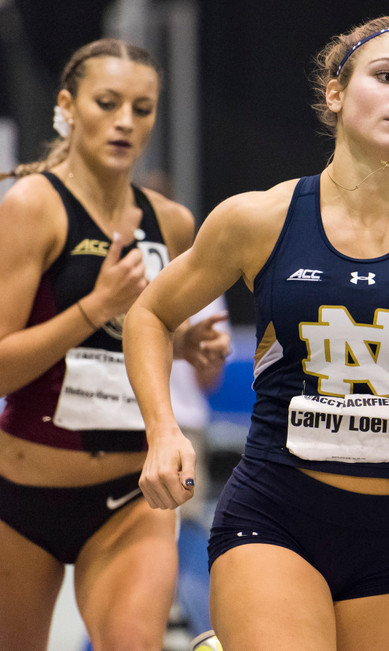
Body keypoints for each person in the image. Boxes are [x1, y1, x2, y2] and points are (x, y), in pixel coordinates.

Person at [123, 16, 389, 650]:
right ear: (335, 93)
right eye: (386, 77)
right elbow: (149, 316)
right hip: (277, 512)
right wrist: (163, 432)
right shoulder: (258, 218)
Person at [0, 38, 229, 650]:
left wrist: (189, 347)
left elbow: (142, 342)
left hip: (131, 496)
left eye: (143, 108)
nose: (127, 121)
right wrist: (93, 307)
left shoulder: (173, 223)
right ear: (68, 107)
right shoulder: (32, 208)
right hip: (23, 499)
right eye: (108, 103)